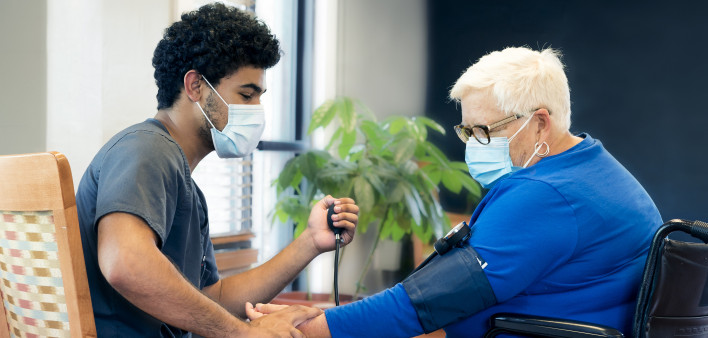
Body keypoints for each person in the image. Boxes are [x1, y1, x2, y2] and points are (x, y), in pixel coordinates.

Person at [247, 47, 662, 337]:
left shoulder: (546, 194)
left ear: (539, 123)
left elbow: (422, 304)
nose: (472, 145)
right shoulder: (595, 169)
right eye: (467, 130)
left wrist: (304, 328)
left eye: (484, 131)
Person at [75, 3, 359, 337]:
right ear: (195, 86)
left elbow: (210, 301)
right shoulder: (146, 149)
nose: (257, 111)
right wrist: (243, 333)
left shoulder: (187, 189)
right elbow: (126, 263)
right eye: (246, 94)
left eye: (259, 97)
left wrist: (310, 242)